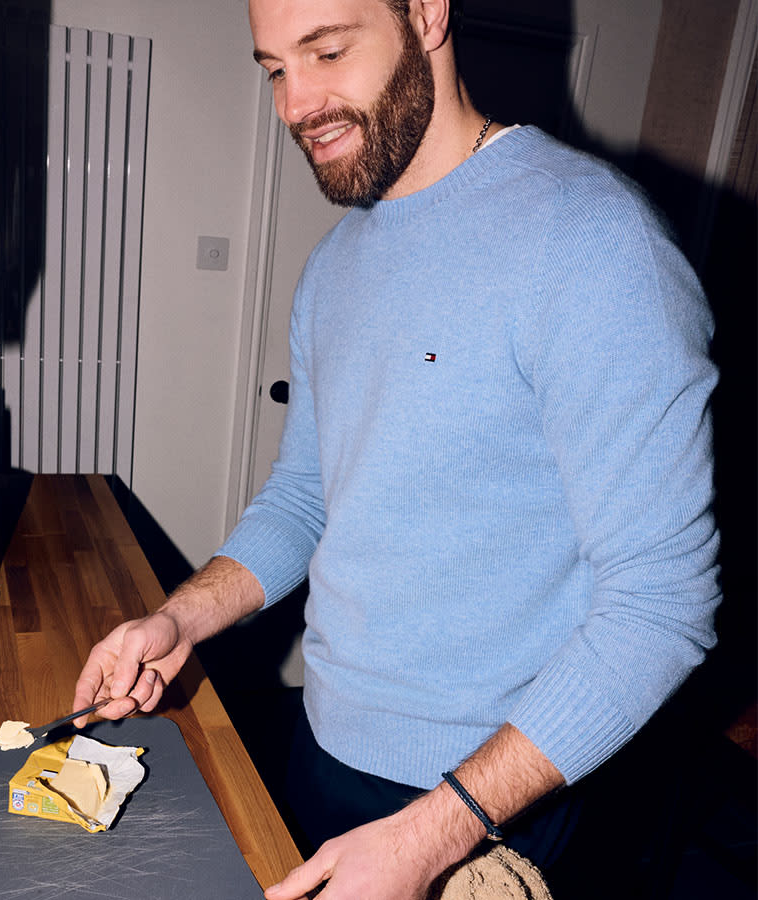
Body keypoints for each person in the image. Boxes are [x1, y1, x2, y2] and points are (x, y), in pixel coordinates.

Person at [73, 1, 721, 897]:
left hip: (494, 805)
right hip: (325, 747)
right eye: (273, 69)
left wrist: (429, 834)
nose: (297, 104)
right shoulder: (335, 264)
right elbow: (307, 498)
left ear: (425, 12)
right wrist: (177, 620)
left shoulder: (596, 244)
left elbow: (661, 607)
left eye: (327, 51)